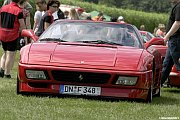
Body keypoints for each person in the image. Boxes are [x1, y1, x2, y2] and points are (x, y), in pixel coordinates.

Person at [0, 0, 26, 78]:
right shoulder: (18, 11)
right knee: (10, 54)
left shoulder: (3, 8)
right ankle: (7, 74)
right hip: (12, 35)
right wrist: (24, 33)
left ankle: (1, 70)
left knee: (5, 52)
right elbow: (22, 25)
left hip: (2, 33)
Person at [161, 0, 180, 86]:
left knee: (178, 64)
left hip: (175, 39)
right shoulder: (177, 6)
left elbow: (177, 23)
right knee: (167, 64)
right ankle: (157, 86)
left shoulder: (179, 6)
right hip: (173, 39)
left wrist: (166, 36)